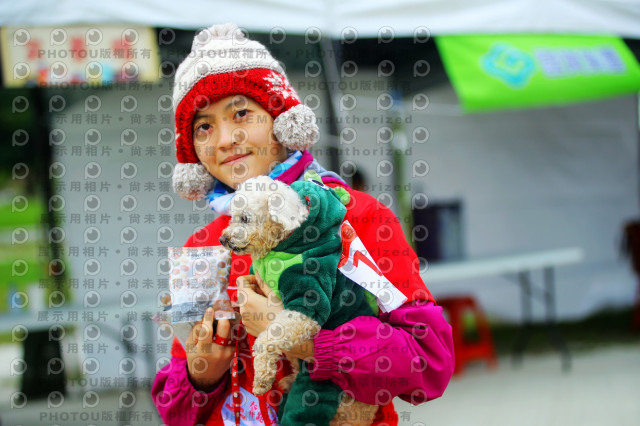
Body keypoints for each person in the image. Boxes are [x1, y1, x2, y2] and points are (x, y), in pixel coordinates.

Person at [151, 23, 454, 426]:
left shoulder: (356, 217)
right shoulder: (203, 247)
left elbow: (428, 362)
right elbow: (174, 411)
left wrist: (306, 340)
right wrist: (201, 374)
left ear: (281, 120)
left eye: (241, 113)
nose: (223, 139)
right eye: (203, 126)